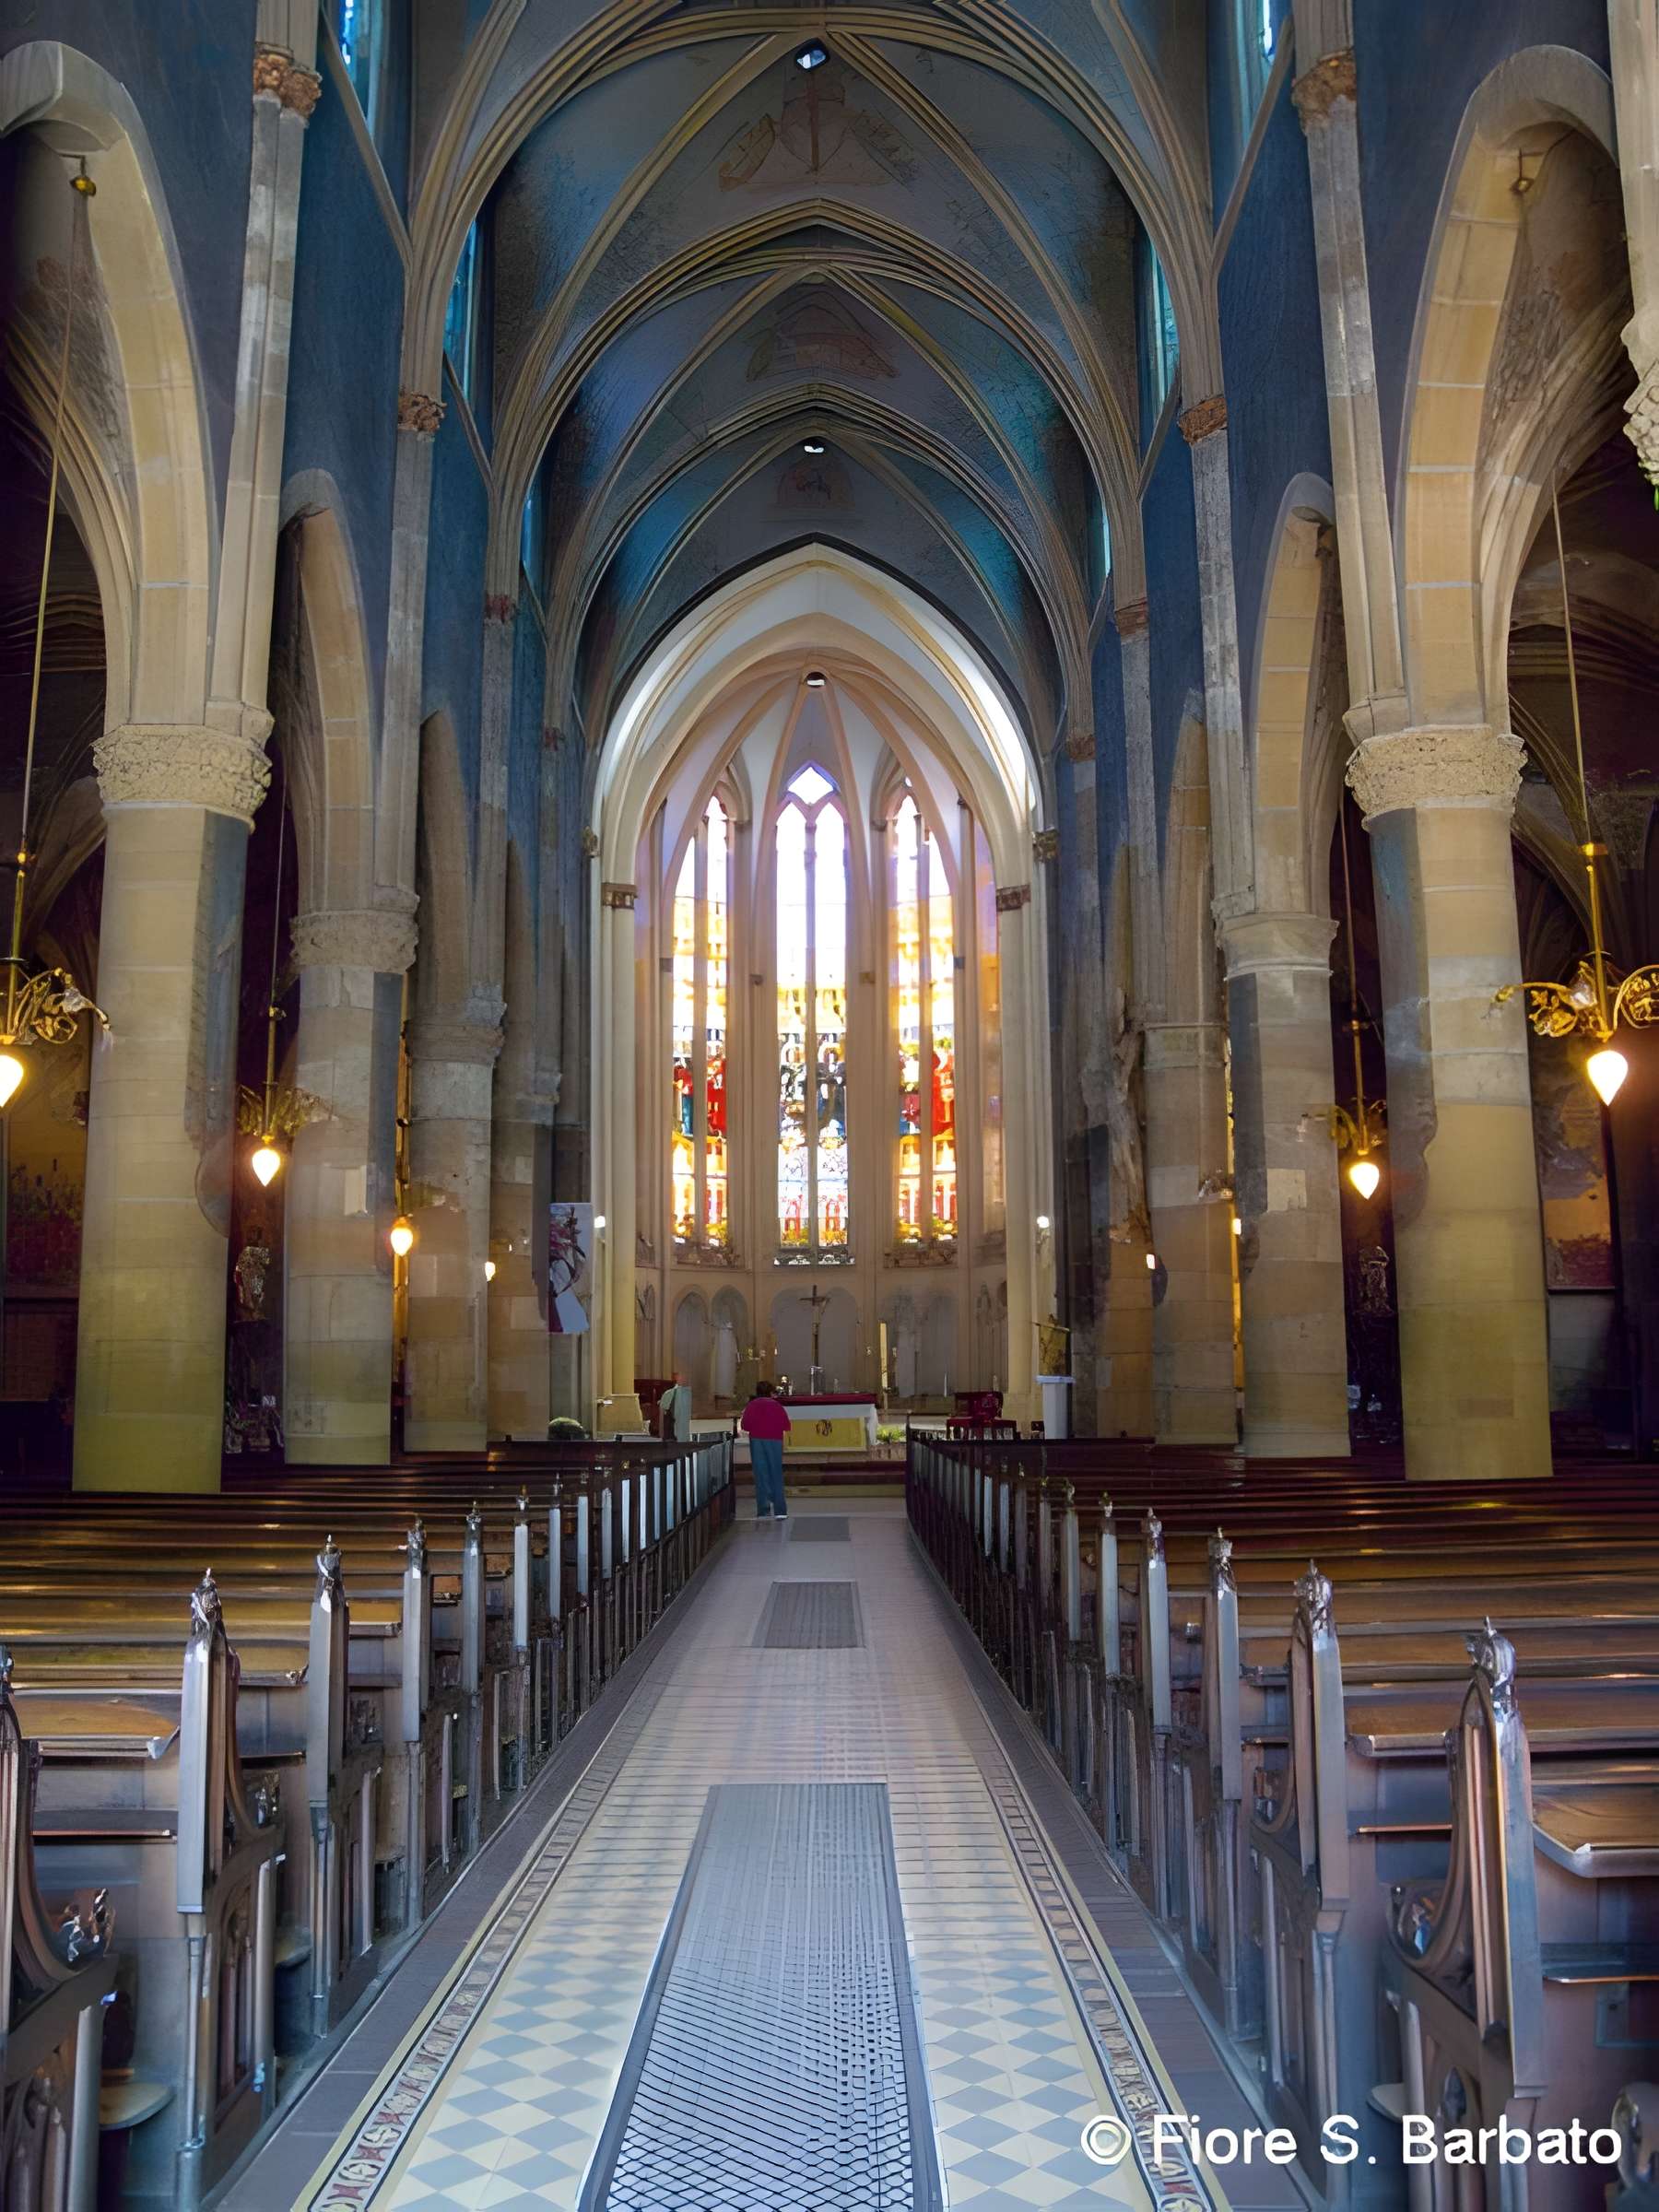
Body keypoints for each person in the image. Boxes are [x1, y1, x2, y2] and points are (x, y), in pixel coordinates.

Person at [740, 1381, 792, 1520]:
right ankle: (780, 1510)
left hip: (757, 1440)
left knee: (760, 1473)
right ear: (770, 1392)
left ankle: (763, 1510)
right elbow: (786, 1425)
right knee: (776, 1472)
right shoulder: (776, 1405)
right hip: (775, 1440)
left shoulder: (751, 1405)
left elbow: (745, 1425)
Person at [659, 1371, 692, 1441]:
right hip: (674, 1439)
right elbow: (662, 1419)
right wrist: (662, 1437)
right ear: (676, 1377)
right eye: (681, 1375)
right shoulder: (669, 1394)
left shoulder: (695, 1394)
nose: (684, 1377)